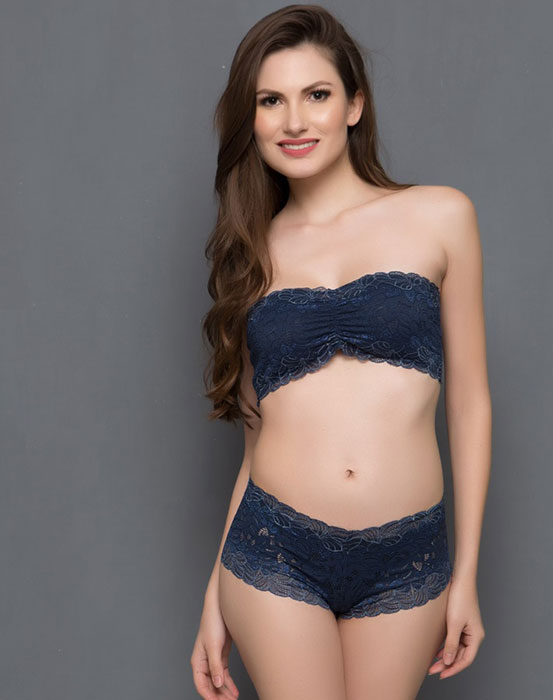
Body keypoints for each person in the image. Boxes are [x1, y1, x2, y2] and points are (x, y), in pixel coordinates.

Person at [191, 5, 491, 699]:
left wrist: (467, 574)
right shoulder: (251, 256)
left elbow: (471, 404)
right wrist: (214, 595)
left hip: (407, 557)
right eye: (271, 101)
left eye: (316, 94)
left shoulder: (441, 216)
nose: (294, 121)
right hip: (274, 551)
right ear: (251, 120)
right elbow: (258, 438)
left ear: (354, 104)